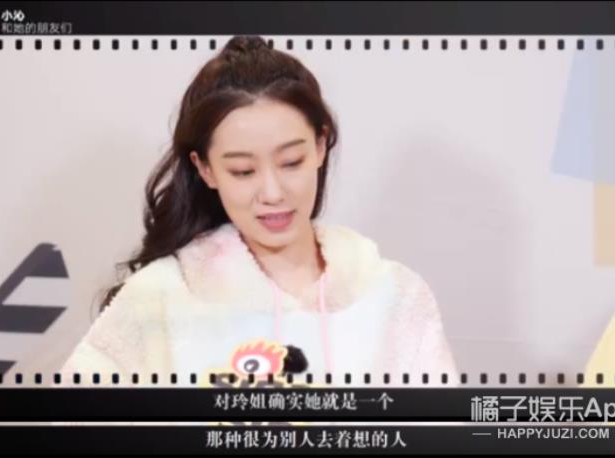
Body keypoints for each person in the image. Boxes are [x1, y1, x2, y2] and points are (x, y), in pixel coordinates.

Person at [58, 35, 458, 388]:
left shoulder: (392, 296)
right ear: (205, 169)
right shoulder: (158, 299)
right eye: (243, 171)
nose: (272, 192)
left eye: (291, 162)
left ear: (320, 146)